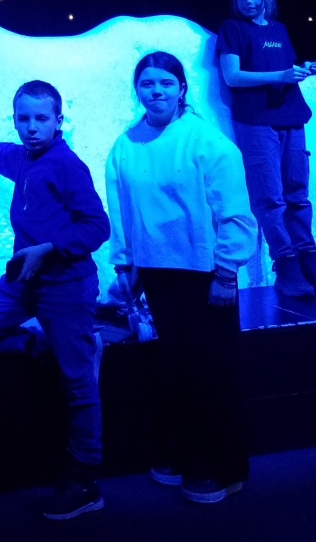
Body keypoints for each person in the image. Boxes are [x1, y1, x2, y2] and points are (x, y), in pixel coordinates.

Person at [0, 81, 111, 521]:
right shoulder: (21, 157)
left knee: (77, 382)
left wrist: (50, 249)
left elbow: (97, 226)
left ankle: (85, 478)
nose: (32, 127)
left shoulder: (67, 165)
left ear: (59, 121)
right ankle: (46, 343)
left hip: (66, 286)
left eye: (42, 118)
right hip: (24, 282)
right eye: (23, 118)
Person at [106, 52, 257, 504]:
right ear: (138, 90)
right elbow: (122, 210)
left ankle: (219, 466)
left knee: (210, 371)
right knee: (169, 370)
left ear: (182, 89)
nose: (156, 91)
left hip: (204, 275)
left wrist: (226, 273)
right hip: (154, 274)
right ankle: (179, 453)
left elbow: (234, 211)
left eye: (166, 83)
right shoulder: (126, 144)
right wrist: (125, 265)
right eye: (147, 83)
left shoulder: (206, 141)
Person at [217, 0, 316, 297]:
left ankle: (308, 259)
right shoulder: (232, 28)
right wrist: (280, 76)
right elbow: (232, 76)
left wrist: (303, 70)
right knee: (270, 197)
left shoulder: (278, 29)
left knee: (297, 192)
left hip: (291, 115)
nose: (248, 2)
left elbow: (283, 69)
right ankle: (286, 265)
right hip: (256, 120)